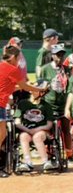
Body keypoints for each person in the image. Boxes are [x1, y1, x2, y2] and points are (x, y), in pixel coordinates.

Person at [1, 44, 41, 175]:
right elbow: (25, 86)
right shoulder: (13, 69)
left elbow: (10, 86)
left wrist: (24, 87)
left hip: (2, 104)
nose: (19, 61)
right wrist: (39, 89)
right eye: (18, 58)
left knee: (3, 134)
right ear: (13, 57)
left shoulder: (2, 66)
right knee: (1, 134)